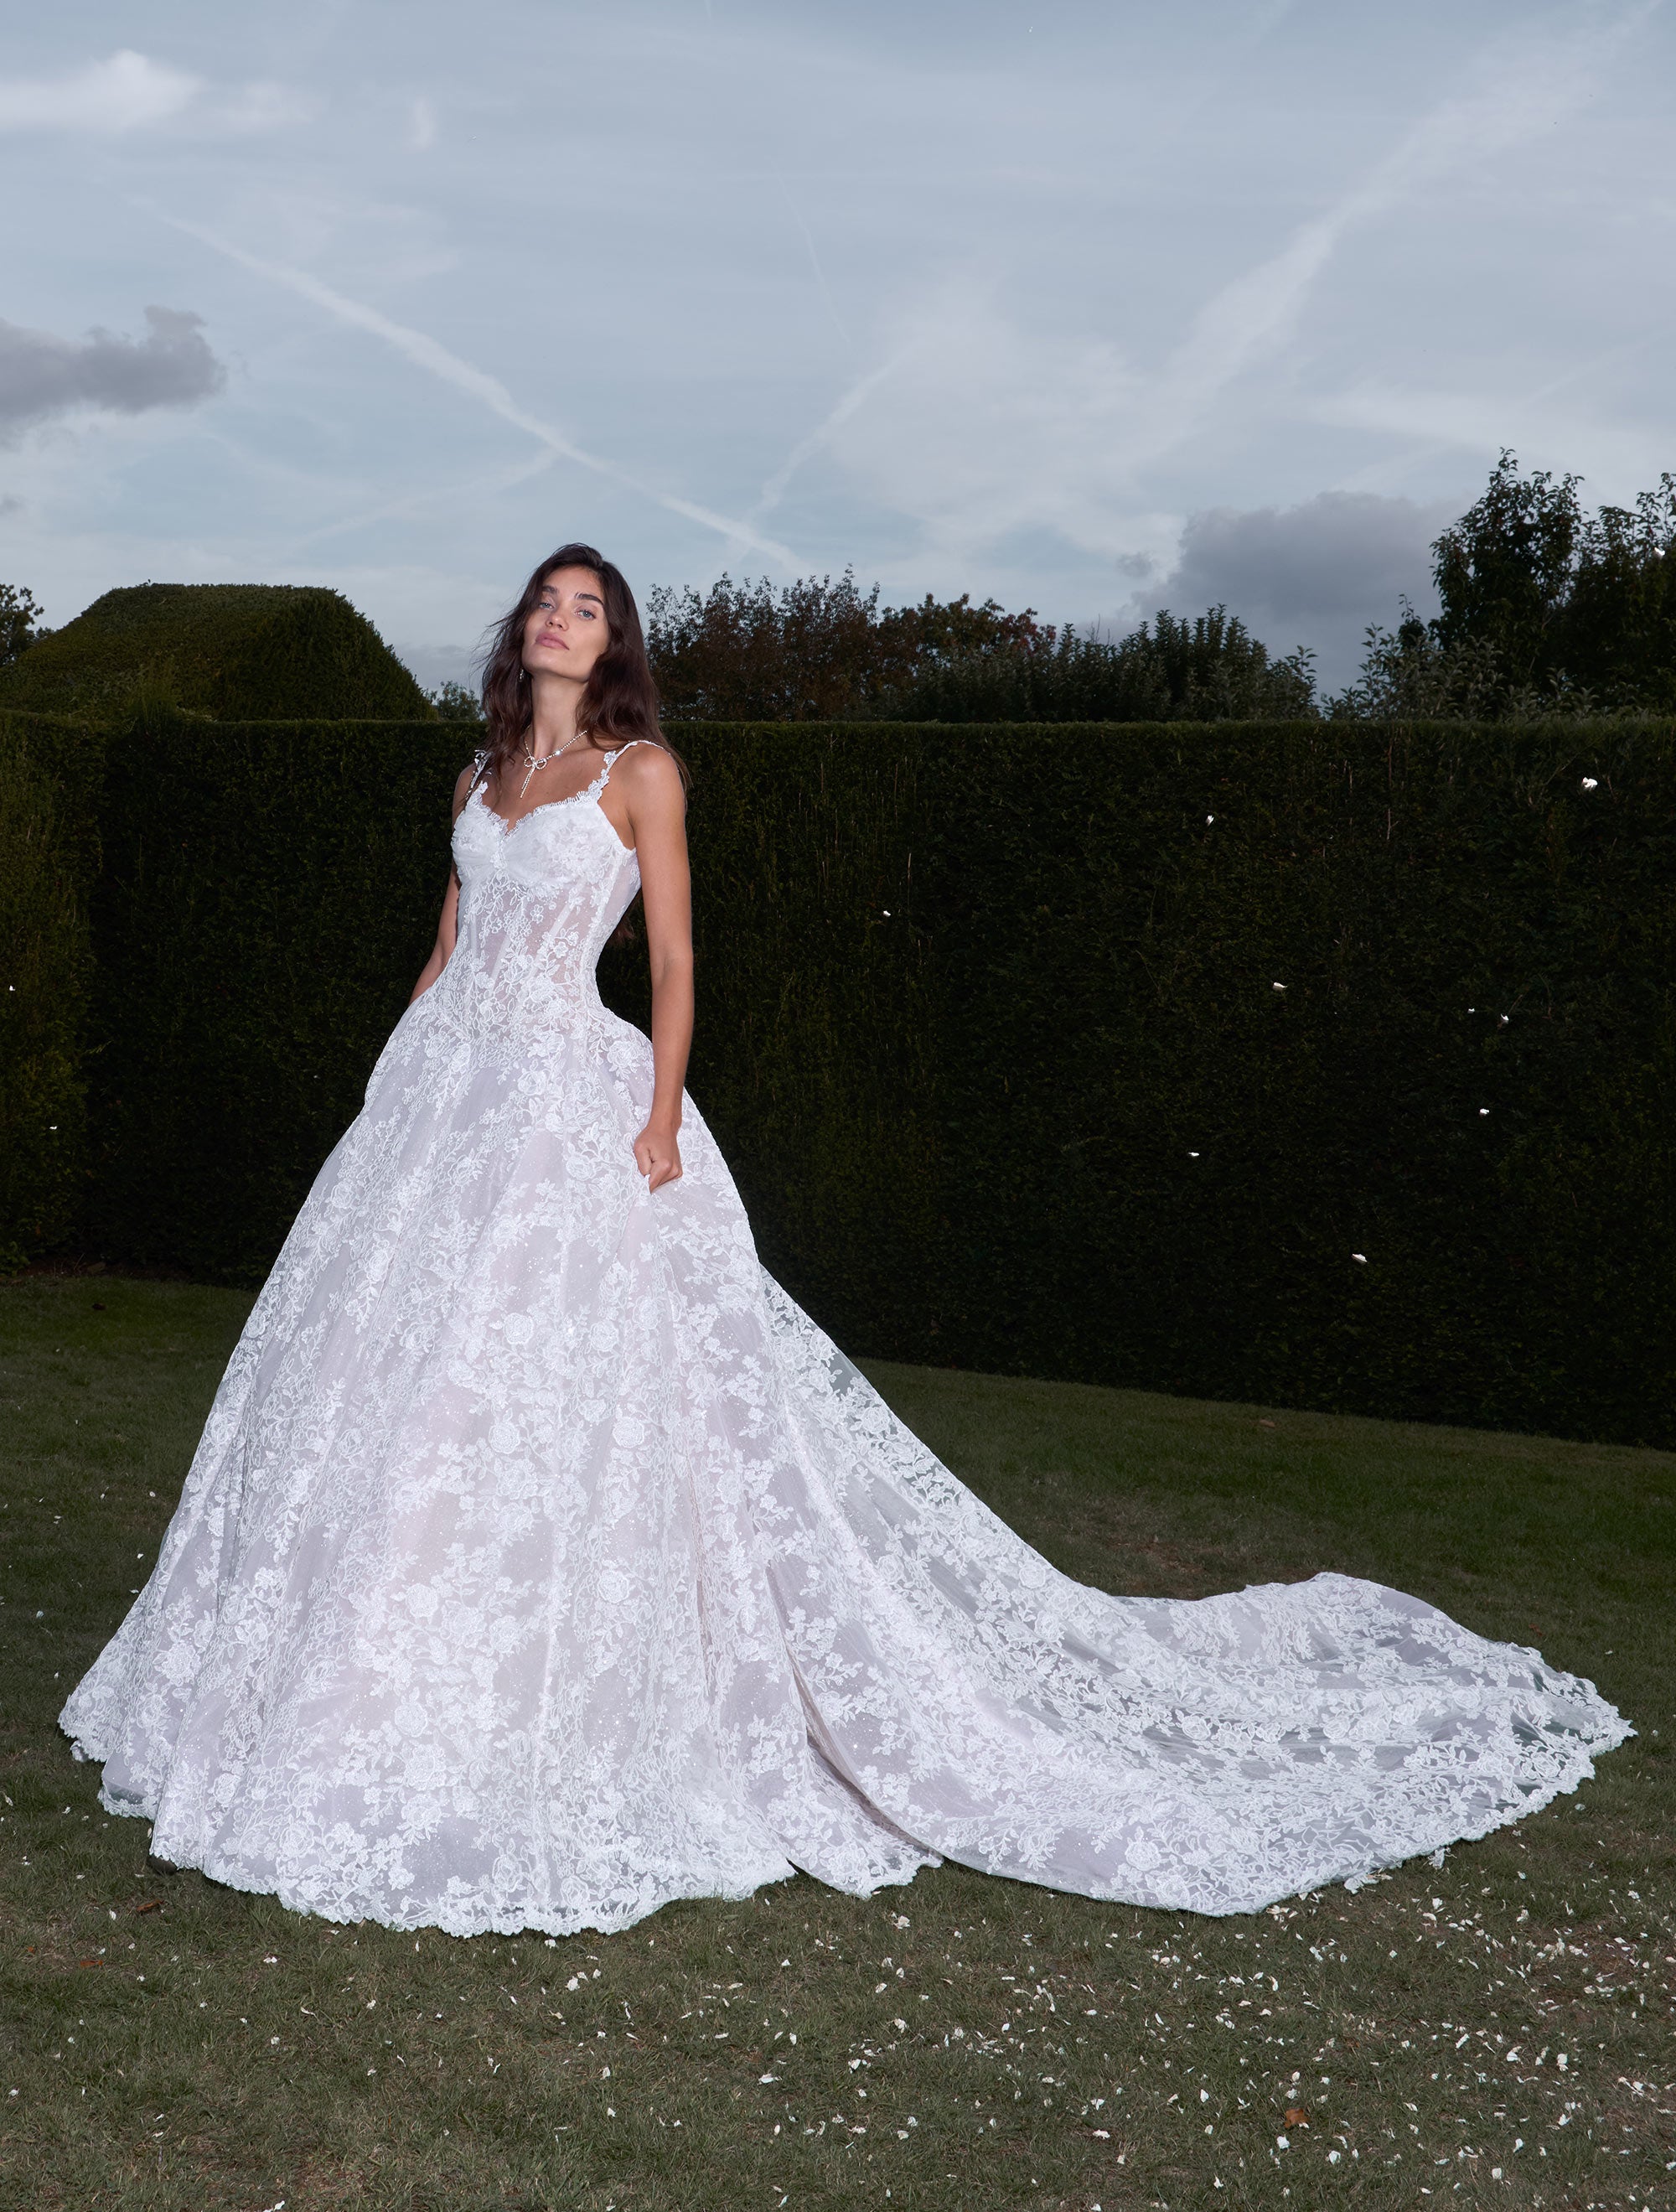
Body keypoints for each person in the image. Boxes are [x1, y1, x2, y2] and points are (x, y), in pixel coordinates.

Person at [61, 543, 1630, 1939]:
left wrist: (662, 1116)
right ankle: (343, 1699)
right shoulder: (471, 784)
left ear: (615, 648)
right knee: (385, 1390)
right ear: (518, 635)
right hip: (436, 1111)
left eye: (588, 609)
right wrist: (385, 1081)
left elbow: (672, 957)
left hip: (572, 1102)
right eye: (546, 604)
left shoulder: (640, 773)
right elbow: (448, 946)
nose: (559, 623)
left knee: (538, 1386)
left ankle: (559, 1704)